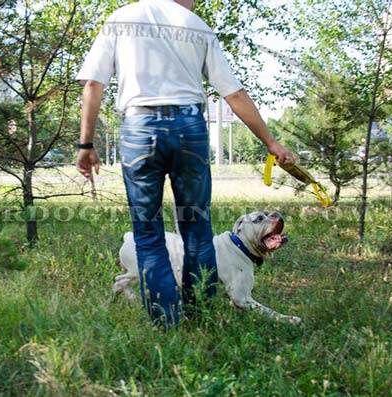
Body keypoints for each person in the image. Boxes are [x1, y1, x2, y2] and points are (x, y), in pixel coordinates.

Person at [75, 0, 296, 326]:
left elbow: (93, 83)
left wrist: (86, 144)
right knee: (197, 230)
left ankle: (167, 323)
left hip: (139, 127)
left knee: (148, 234)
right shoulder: (196, 25)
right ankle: (200, 315)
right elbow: (233, 94)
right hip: (189, 127)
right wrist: (271, 142)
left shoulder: (120, 18)